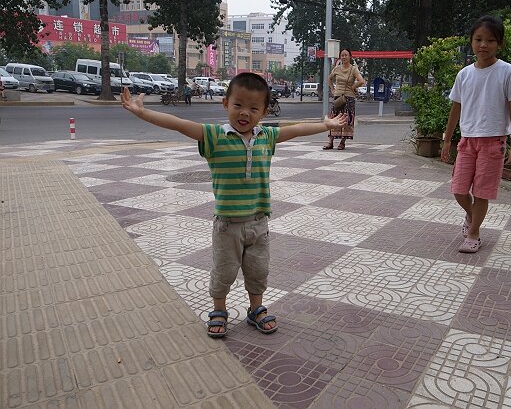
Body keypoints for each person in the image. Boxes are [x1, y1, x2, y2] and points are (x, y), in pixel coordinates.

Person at [120, 72, 348, 338]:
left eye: (254, 108)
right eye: (238, 104)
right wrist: (142, 113)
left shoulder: (266, 137)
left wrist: (326, 125)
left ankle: (256, 309)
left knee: (258, 270)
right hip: (228, 225)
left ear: (263, 112)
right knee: (223, 271)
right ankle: (219, 310)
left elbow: (296, 130)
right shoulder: (214, 136)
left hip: (259, 223)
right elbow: (179, 124)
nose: (245, 113)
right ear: (225, 103)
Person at [441, 15, 511, 254]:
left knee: (481, 192)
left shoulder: (508, 72)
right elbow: (455, 108)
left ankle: (474, 233)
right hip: (467, 140)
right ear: (471, 42)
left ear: (499, 44)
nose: (483, 45)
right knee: (458, 190)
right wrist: (447, 140)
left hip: (494, 141)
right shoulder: (464, 74)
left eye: (490, 40)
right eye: (478, 39)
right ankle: (472, 215)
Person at [324, 48, 365, 150]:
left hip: (349, 98)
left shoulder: (353, 69)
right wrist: (333, 89)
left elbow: (361, 81)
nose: (344, 57)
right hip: (337, 97)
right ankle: (330, 142)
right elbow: (329, 78)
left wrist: (353, 87)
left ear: (350, 56)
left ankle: (342, 142)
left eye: (346, 55)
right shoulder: (337, 68)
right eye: (342, 55)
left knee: (346, 120)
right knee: (334, 118)